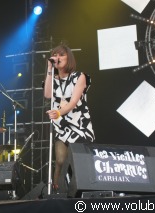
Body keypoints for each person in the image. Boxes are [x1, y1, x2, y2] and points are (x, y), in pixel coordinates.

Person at [44, 44, 95, 193]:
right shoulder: (53, 79)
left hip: (79, 124)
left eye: (61, 55)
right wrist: (49, 68)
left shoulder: (80, 76)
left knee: (79, 161)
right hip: (62, 125)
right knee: (60, 159)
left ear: (69, 58)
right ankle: (57, 191)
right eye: (55, 55)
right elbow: (47, 94)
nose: (57, 58)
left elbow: (73, 102)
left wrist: (59, 112)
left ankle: (82, 190)